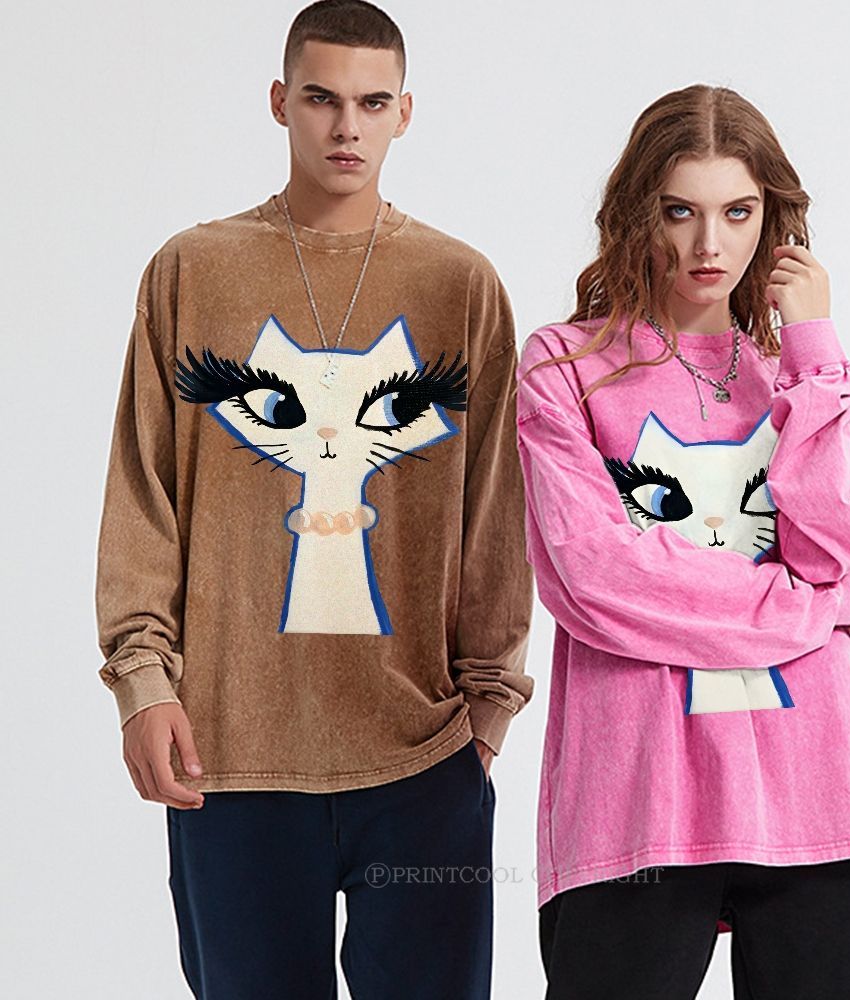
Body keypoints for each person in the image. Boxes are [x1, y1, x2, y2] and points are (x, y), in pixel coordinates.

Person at [94, 2, 533, 997]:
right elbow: (143, 489)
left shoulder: (460, 284)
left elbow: (495, 514)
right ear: (279, 101)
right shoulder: (193, 270)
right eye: (323, 99)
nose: (346, 127)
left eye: (372, 103)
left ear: (405, 113)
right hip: (231, 753)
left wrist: (488, 712)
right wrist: (143, 683)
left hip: (424, 756)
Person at [514, 83, 850, 999]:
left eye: (738, 212)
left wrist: (814, 345)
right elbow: (597, 577)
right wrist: (809, 609)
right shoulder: (566, 366)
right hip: (638, 802)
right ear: (637, 213)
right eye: (680, 211)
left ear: (773, 218)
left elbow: (834, 543)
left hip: (811, 791)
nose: (709, 245)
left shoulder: (792, 372)